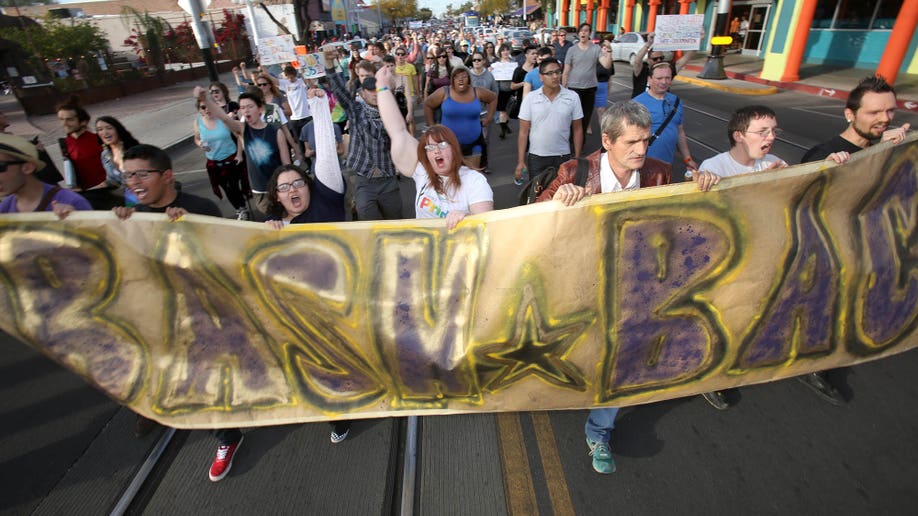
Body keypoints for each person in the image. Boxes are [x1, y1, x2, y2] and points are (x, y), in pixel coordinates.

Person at [538, 101, 720, 473]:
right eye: (631, 143)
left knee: (620, 363)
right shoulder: (575, 171)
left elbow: (676, 219)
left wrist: (701, 186)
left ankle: (598, 432)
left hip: (634, 288)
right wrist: (557, 199)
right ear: (606, 141)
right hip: (582, 286)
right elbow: (535, 222)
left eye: (645, 141)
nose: (641, 150)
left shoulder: (657, 172)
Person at [110, 144, 234, 480]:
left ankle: (230, 431)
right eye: (128, 174)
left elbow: (223, 261)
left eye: (141, 173)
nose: (133, 181)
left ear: (167, 176)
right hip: (159, 322)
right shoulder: (129, 217)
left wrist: (188, 232)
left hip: (205, 316)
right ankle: (214, 432)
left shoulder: (201, 208)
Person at [376, 65, 493, 229]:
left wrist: (467, 218)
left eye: (442, 144)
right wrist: (382, 87)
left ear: (454, 148)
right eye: (430, 148)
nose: (436, 150)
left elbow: (486, 224)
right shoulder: (421, 171)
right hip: (427, 249)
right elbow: (397, 131)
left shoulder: (474, 181)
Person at [322, 48, 402, 220]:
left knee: (396, 222)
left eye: (377, 90)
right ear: (362, 93)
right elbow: (340, 92)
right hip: (365, 180)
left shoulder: (391, 111)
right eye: (369, 90)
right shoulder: (356, 110)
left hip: (388, 177)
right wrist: (329, 65)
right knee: (367, 219)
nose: (374, 94)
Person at [195, 86, 294, 216]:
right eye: (242, 108)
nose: (246, 111)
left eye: (249, 106)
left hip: (279, 187)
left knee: (286, 218)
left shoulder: (276, 132)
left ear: (259, 109)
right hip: (260, 189)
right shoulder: (242, 130)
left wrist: (289, 185)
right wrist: (206, 100)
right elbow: (224, 118)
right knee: (272, 220)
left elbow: (286, 163)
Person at [802, 76, 909, 164]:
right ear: (850, 115)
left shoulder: (879, 150)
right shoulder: (821, 156)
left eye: (890, 110)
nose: (885, 118)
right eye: (874, 112)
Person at [515, 58, 583, 185]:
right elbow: (523, 132)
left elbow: (578, 129)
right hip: (536, 157)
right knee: (537, 197)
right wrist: (520, 161)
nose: (555, 76)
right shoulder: (530, 98)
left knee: (562, 196)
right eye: (550, 73)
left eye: (558, 72)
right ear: (541, 77)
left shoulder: (572, 97)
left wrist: (577, 158)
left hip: (563, 156)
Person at [0, 133, 89, 217]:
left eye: (1, 166)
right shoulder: (4, 209)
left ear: (28, 168)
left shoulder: (71, 202)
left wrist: (75, 220)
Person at [424, 68, 497, 171]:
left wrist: (489, 118)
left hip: (473, 143)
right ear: (452, 80)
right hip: (448, 145)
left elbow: (493, 98)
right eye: (457, 77)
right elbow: (428, 105)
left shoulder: (477, 92)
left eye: (464, 76)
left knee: (473, 176)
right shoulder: (444, 92)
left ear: (469, 79)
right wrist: (432, 128)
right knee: (452, 178)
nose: (460, 79)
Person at [193, 98, 251, 220]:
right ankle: (238, 208)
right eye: (203, 107)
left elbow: (238, 134)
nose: (207, 109)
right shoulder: (198, 122)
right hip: (214, 162)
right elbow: (197, 138)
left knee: (234, 186)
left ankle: (242, 208)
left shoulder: (223, 120)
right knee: (226, 188)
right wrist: (200, 144)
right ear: (199, 110)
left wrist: (239, 154)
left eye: (208, 106)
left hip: (230, 158)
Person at [633, 63, 698, 170]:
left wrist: (687, 158)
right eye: (659, 78)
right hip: (641, 166)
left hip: (666, 165)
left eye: (667, 78)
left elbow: (680, 132)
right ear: (649, 79)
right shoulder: (636, 104)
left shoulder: (676, 102)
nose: (664, 82)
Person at [697, 105, 787, 178]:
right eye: (762, 132)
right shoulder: (713, 169)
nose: (772, 137)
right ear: (738, 136)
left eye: (774, 130)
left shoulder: (775, 163)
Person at [562, 23, 613, 134]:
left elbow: (606, 65)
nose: (583, 32)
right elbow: (566, 71)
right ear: (578, 33)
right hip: (574, 88)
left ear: (589, 33)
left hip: (590, 88)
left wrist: (609, 51)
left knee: (586, 117)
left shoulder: (596, 49)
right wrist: (563, 88)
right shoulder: (572, 50)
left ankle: (581, 144)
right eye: (581, 31)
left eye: (586, 30)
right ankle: (570, 141)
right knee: (573, 117)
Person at [631, 33, 695, 99]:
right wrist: (648, 44)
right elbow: (637, 61)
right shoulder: (642, 70)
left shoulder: (667, 70)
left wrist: (697, 42)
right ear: (648, 60)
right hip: (639, 107)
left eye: (661, 58)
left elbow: (684, 60)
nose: (659, 60)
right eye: (655, 59)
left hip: (660, 107)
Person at [95, 116, 141, 207]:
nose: (105, 132)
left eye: (109, 128)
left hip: (140, 193)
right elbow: (113, 180)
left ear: (118, 130)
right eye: (100, 129)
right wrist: (104, 184)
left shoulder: (135, 151)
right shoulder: (105, 155)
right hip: (123, 195)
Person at [277, 65, 313, 154]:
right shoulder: (285, 84)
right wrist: (262, 64)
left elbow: (310, 82)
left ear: (295, 74)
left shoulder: (301, 82)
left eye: (292, 77)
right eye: (288, 77)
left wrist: (304, 68)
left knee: (311, 139)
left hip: (307, 115)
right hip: (295, 118)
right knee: (300, 142)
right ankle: (306, 164)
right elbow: (271, 79)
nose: (291, 79)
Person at [494, 43, 517, 139]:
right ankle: (503, 131)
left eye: (507, 50)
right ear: (500, 52)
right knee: (502, 111)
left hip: (512, 89)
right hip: (501, 90)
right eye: (503, 50)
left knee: (508, 111)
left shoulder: (514, 62)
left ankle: (505, 126)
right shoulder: (496, 64)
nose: (505, 52)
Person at [592, 42, 615, 136]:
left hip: (603, 86)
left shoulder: (610, 62)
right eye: (603, 48)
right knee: (590, 109)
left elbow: (610, 77)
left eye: (607, 48)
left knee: (601, 111)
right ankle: (588, 126)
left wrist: (609, 89)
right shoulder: (595, 60)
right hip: (593, 86)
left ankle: (603, 132)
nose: (605, 50)